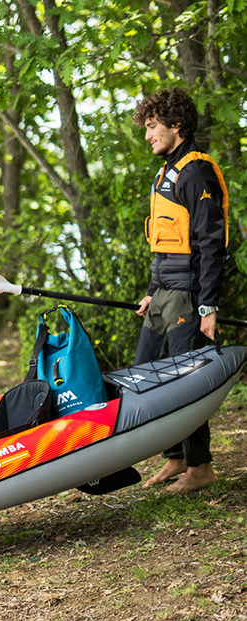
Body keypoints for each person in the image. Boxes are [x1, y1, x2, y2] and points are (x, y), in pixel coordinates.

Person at [132, 87, 229, 494]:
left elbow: (211, 244)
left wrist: (208, 306)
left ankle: (201, 467)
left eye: (152, 126)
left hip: (188, 296)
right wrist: (153, 290)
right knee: (147, 373)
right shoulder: (167, 171)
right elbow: (167, 242)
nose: (147, 135)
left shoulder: (195, 173)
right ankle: (175, 457)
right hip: (164, 293)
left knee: (182, 382)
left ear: (176, 125)